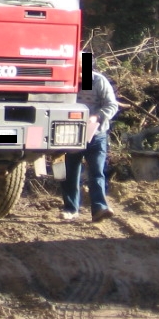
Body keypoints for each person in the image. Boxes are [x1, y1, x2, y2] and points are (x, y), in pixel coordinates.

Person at [60, 66, 119, 222]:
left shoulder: (97, 81)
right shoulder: (65, 81)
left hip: (96, 134)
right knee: (70, 172)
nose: (79, 75)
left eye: (81, 70)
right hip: (71, 135)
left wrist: (97, 116)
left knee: (97, 171)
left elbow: (112, 105)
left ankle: (99, 208)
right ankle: (71, 209)